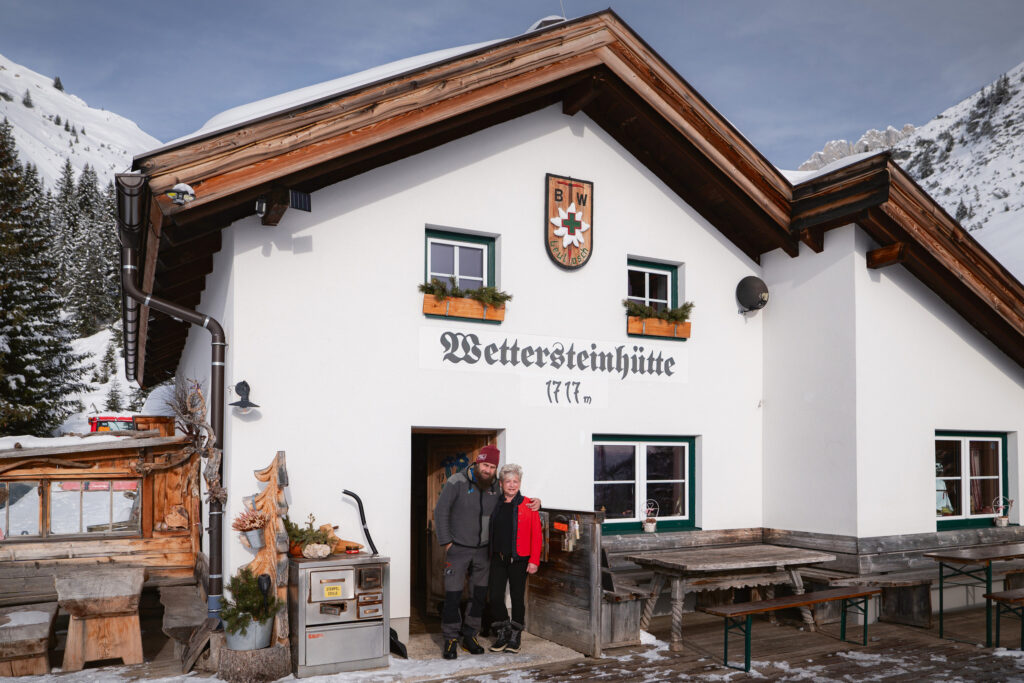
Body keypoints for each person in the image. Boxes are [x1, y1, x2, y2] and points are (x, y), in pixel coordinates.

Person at [433, 445, 540, 659]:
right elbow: (440, 511)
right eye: (485, 465)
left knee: (479, 597)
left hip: (483, 552)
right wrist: (447, 542)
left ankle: (470, 636)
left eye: (492, 466)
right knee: (453, 596)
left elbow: (516, 498)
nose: (488, 469)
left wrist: (537, 502)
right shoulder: (457, 482)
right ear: (477, 462)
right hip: (458, 550)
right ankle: (451, 638)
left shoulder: (497, 487)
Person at [487, 463, 541, 653]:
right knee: (494, 596)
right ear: (501, 483)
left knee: (517, 598)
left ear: (519, 483)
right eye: (508, 481)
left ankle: (515, 636)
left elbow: (537, 535)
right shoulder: (495, 503)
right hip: (498, 559)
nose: (512, 485)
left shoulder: (529, 504)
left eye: (515, 481)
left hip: (519, 560)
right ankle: (503, 631)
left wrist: (534, 560)